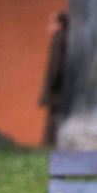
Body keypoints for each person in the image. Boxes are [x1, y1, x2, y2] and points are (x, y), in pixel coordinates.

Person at [39, 12, 68, 147]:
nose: (48, 27)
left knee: (54, 120)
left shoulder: (59, 39)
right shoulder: (66, 38)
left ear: (59, 24)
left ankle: (51, 145)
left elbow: (56, 65)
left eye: (51, 23)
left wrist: (51, 85)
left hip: (58, 89)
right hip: (61, 89)